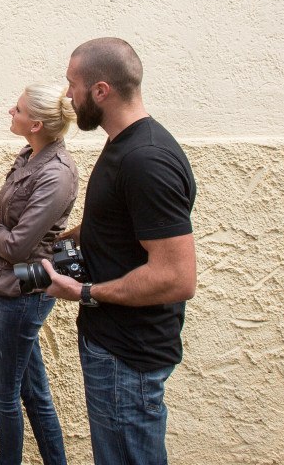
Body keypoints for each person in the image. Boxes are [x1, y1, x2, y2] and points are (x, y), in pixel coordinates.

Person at [42, 37, 197, 465]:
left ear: (101, 91)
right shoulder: (125, 144)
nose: (68, 97)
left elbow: (176, 277)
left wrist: (86, 293)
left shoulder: (146, 159)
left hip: (128, 358)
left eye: (73, 85)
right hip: (113, 349)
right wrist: (56, 244)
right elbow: (114, 226)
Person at [0, 82, 77, 465]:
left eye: (17, 110)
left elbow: (16, 244)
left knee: (3, 394)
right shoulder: (29, 154)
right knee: (34, 393)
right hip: (6, 285)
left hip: (24, 293)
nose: (10, 113)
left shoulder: (57, 174)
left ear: (35, 124)